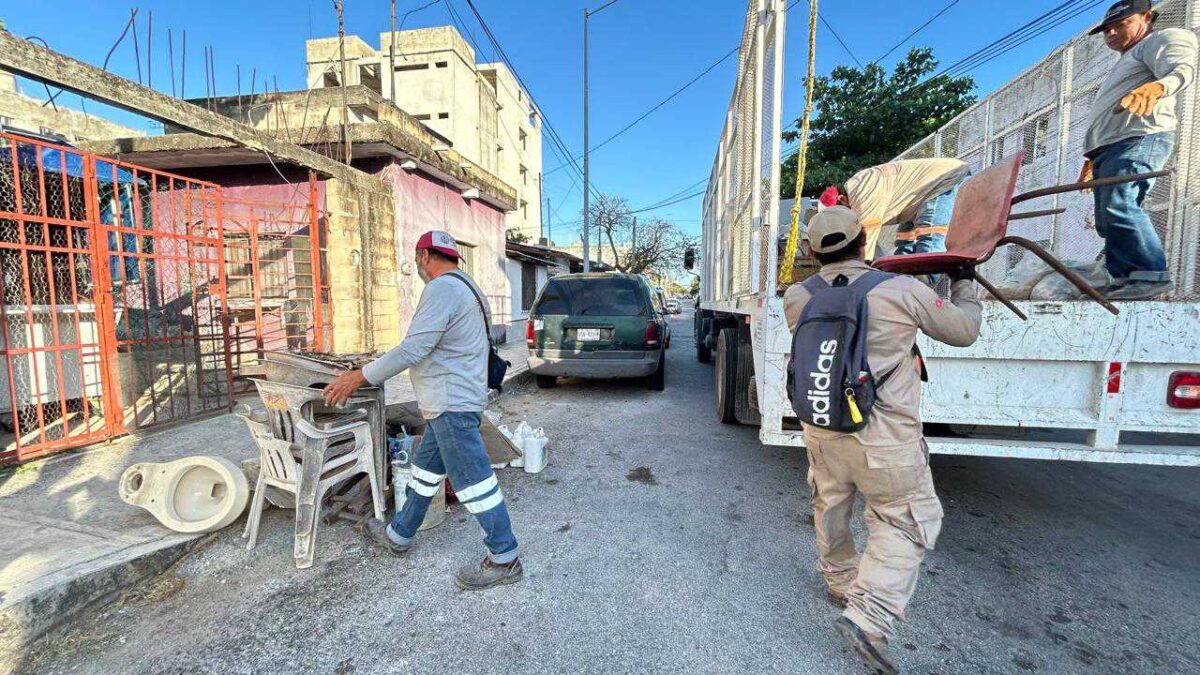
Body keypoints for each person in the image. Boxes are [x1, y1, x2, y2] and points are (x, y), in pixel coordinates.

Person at [783, 206, 982, 674]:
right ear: (864, 241)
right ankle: (869, 615)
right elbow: (964, 332)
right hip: (884, 436)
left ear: (812, 251)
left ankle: (838, 580)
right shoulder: (901, 290)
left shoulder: (797, 297)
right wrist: (964, 283)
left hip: (822, 426)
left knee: (830, 501)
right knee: (904, 519)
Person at [323, 230, 522, 591]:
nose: (417, 266)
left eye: (418, 260)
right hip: (457, 399)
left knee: (474, 481)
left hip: (451, 403)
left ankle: (504, 557)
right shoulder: (470, 289)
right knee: (424, 473)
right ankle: (398, 535)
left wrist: (360, 376)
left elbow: (413, 349)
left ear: (424, 257)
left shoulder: (441, 289)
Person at [1078, 0, 1197, 300]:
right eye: (1108, 29)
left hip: (1140, 138)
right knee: (1107, 218)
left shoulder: (1160, 39)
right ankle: (1123, 279)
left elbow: (1183, 67)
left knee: (1121, 202)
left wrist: (1158, 87)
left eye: (1122, 24)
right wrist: (1092, 156)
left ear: (1147, 17)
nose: (1113, 33)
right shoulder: (1127, 60)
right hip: (1111, 147)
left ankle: (1150, 274)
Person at [820, 157, 970, 260]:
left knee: (929, 243)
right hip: (917, 200)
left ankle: (923, 295)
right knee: (904, 246)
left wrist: (858, 274)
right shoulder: (857, 188)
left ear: (842, 199)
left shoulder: (862, 192)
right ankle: (904, 287)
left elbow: (865, 242)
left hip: (942, 180)